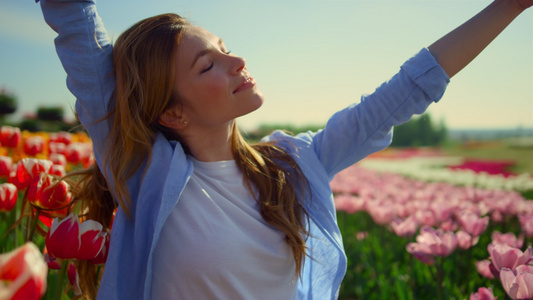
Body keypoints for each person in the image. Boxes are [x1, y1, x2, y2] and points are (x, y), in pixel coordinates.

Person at [37, 0, 532, 299]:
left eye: (225, 46)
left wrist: (507, 7)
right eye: (208, 66)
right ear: (173, 114)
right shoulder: (143, 175)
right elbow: (79, 32)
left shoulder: (294, 165)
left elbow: (406, 89)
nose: (237, 61)